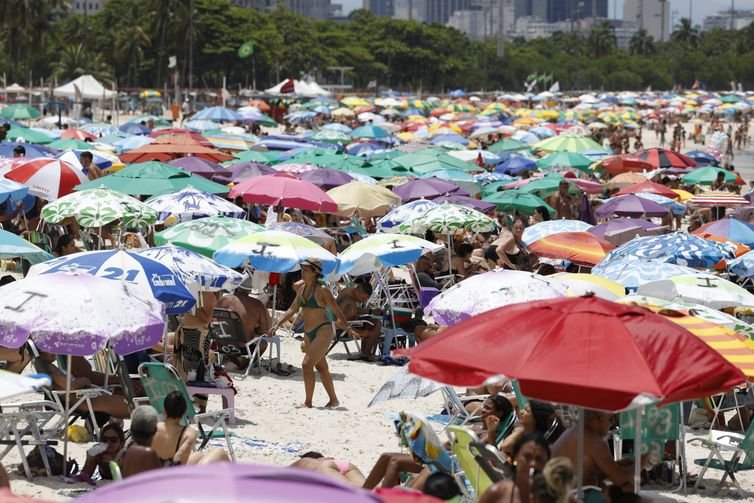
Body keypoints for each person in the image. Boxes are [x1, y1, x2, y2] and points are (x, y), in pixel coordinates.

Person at [268, 258, 353, 408]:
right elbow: (292, 309)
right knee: (321, 368)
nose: (303, 272)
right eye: (302, 269)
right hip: (308, 332)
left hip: (323, 330)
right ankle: (334, 400)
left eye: (306, 270)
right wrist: (277, 324)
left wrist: (349, 328)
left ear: (315, 272)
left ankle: (308, 402)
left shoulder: (323, 290)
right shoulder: (302, 289)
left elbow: (336, 310)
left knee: (307, 365)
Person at [552, 409, 646, 490]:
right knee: (628, 489)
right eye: (610, 419)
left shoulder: (572, 431)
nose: (611, 424)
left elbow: (584, 475)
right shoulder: (594, 441)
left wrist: (617, 465)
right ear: (599, 419)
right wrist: (642, 461)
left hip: (559, 494)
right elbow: (620, 479)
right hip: (575, 496)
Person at [38, 351, 130, 419]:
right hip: (81, 401)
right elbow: (71, 386)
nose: (53, 349)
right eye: (47, 347)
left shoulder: (48, 367)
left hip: (82, 398)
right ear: (41, 352)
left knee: (126, 402)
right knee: (129, 406)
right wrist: (83, 380)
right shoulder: (50, 370)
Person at [151, 391, 230, 466]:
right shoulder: (189, 433)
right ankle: (235, 478)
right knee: (220, 452)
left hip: (157, 471)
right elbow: (178, 459)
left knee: (199, 455)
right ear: (185, 412)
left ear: (165, 410)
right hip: (175, 475)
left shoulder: (153, 428)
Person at [478, 433, 551, 503]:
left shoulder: (554, 497)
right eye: (527, 457)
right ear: (516, 457)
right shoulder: (498, 493)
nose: (533, 464)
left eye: (539, 459)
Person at [215, 275, 271, 367]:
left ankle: (231, 359)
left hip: (223, 345)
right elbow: (264, 331)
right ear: (250, 289)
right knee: (263, 344)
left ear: (236, 286)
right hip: (244, 348)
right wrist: (252, 328)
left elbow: (213, 320)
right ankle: (246, 364)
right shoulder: (257, 304)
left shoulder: (223, 300)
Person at [336, 279, 381, 361]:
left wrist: (371, 311)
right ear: (358, 292)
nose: (365, 300)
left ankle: (365, 353)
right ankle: (366, 354)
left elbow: (354, 310)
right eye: (363, 298)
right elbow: (339, 323)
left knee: (371, 321)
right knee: (376, 323)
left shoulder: (347, 290)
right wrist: (360, 332)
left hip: (338, 324)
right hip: (341, 330)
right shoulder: (350, 302)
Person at [500, 401, 565, 456]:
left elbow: (506, 446)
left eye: (527, 411)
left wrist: (519, 431)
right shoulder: (524, 432)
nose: (521, 412)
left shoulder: (536, 441)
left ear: (536, 418)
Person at [118, 406, 162, 478]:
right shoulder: (149, 453)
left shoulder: (123, 453)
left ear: (132, 429)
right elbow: (162, 481)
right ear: (155, 430)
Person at [290, 451, 366, 488]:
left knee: (349, 493)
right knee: (365, 491)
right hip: (348, 465)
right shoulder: (329, 460)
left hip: (324, 466)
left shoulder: (306, 462)